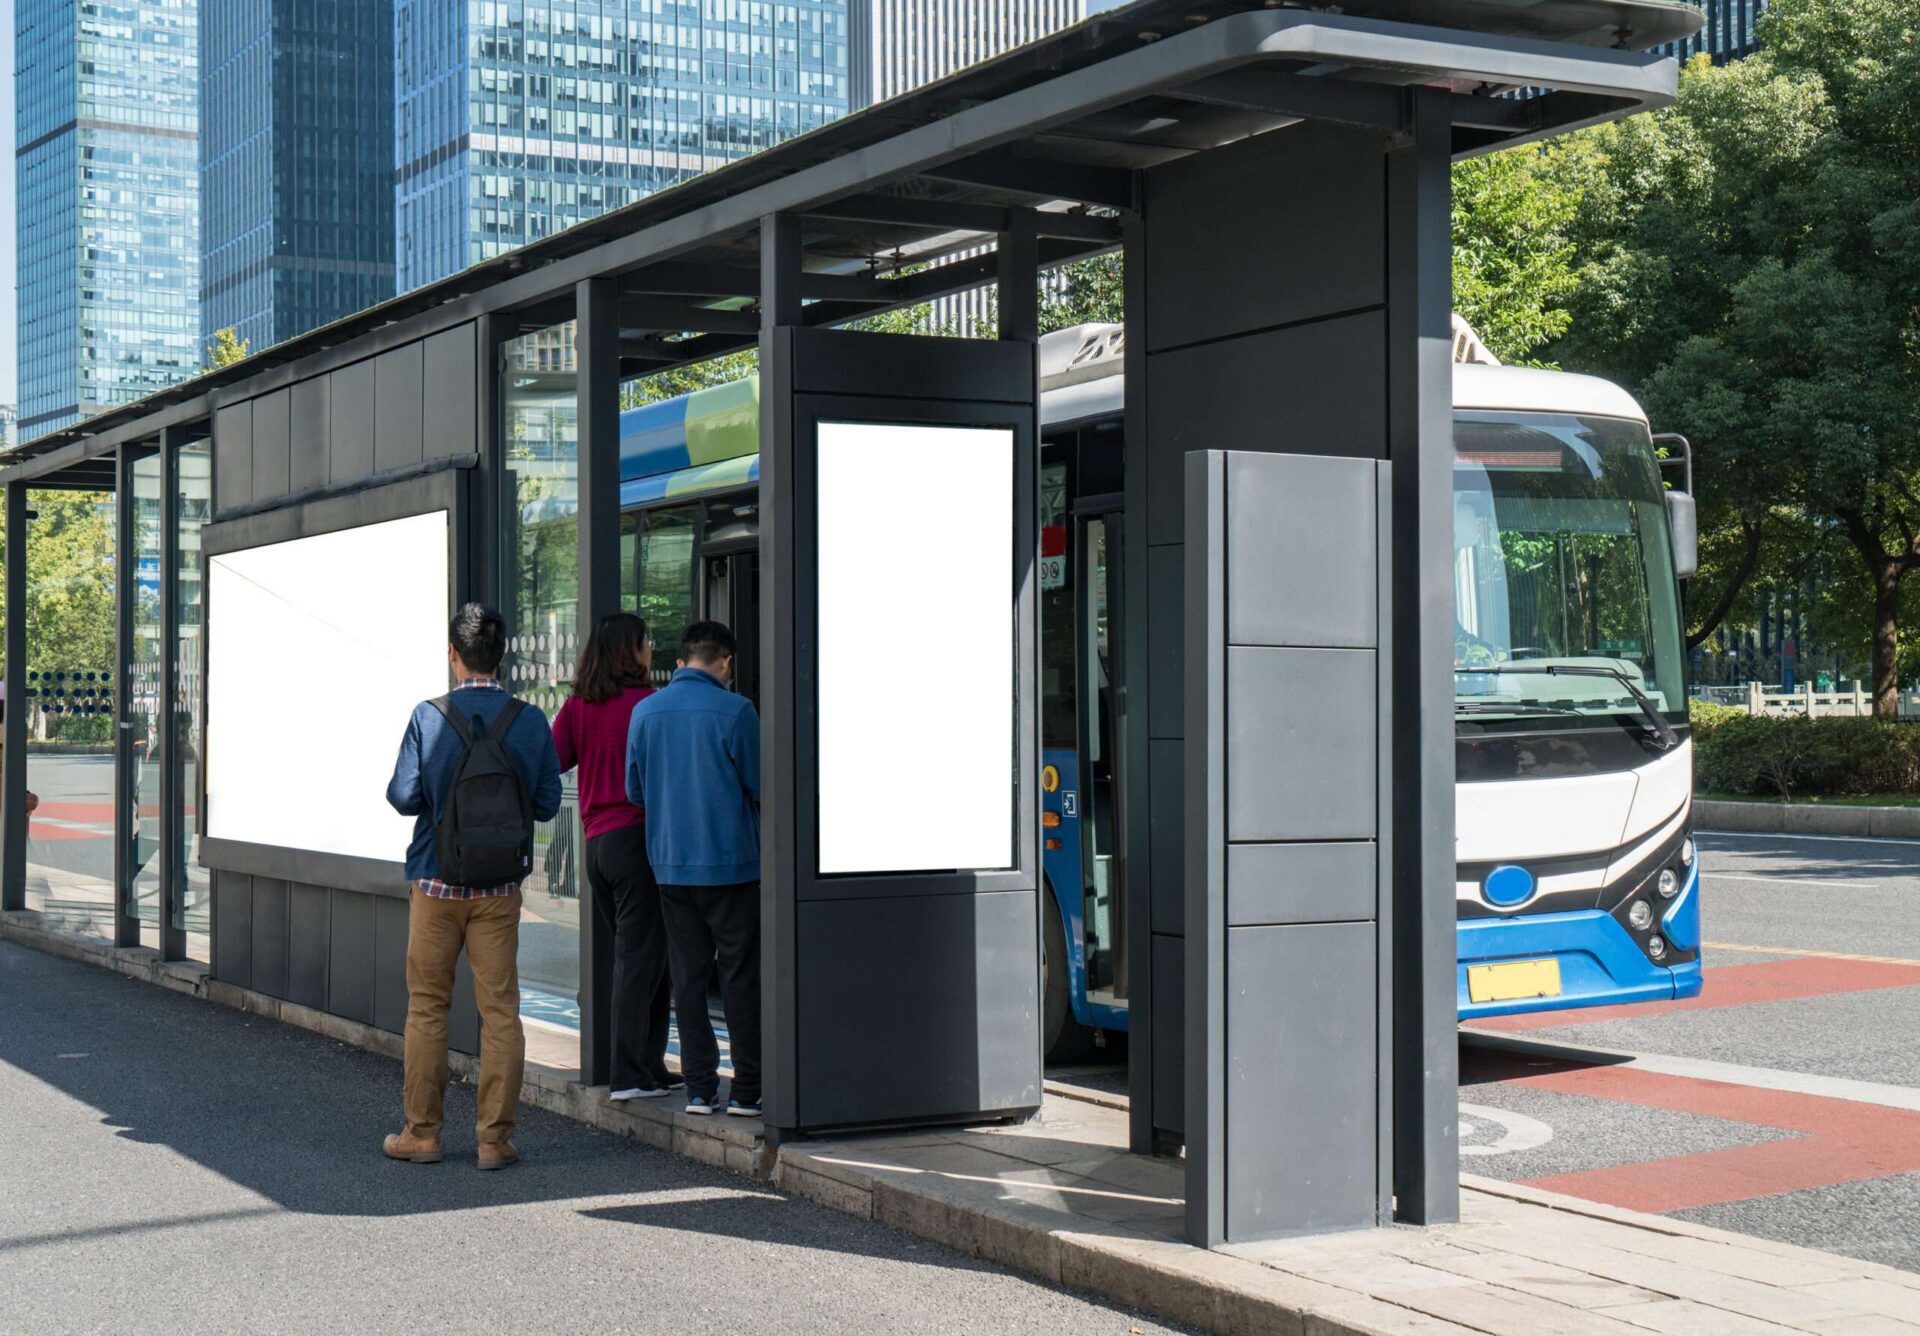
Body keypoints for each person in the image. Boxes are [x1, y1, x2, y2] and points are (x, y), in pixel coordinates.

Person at [383, 603, 561, 1170]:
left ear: (453, 655)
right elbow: (548, 803)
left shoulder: (428, 716)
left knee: (428, 1008)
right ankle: (493, 1140)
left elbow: (404, 797)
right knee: (501, 1010)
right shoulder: (528, 721)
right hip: (499, 891)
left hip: (436, 884)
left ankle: (423, 1133)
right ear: (502, 655)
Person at [625, 620, 761, 1117]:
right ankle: (748, 1088)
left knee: (687, 977)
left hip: (670, 865)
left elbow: (635, 791)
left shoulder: (645, 712)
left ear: (684, 659)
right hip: (733, 866)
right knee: (742, 974)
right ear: (725, 662)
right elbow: (761, 784)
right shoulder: (737, 710)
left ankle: (700, 1088)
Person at [552, 612, 681, 1101]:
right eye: (647, 642)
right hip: (637, 843)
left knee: (648, 958)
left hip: (595, 847)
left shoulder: (579, 706)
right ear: (632, 652)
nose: (652, 649)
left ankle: (650, 1064)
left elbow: (552, 760)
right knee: (640, 959)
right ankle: (628, 1073)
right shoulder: (649, 705)